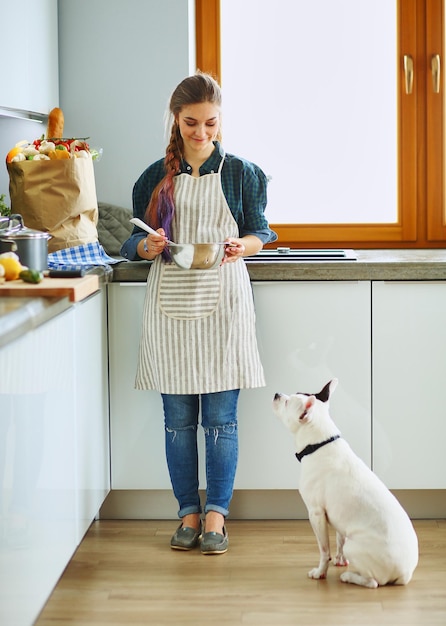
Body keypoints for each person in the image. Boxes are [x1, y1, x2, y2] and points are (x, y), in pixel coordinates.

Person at [121, 72, 277, 555]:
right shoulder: (154, 177)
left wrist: (241, 246)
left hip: (223, 301)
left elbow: (262, 232)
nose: (202, 133)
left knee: (222, 421)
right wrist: (146, 246)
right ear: (176, 119)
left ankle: (217, 516)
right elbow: (130, 242)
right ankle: (187, 511)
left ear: (220, 119)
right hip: (170, 304)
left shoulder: (242, 173)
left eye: (211, 123)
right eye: (192, 123)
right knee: (177, 420)